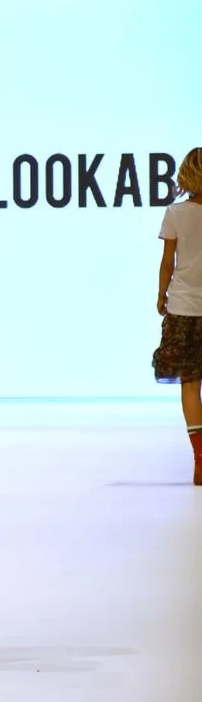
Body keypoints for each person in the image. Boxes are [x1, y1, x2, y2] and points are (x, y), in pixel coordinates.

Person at [153, 147, 202, 485]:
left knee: (189, 382)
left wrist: (161, 295)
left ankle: (200, 458)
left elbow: (167, 263)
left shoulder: (175, 213)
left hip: (184, 307)